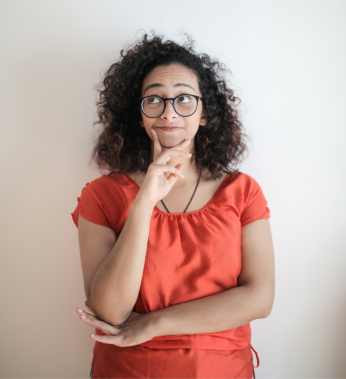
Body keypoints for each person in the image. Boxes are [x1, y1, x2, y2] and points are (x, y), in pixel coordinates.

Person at [71, 31, 275, 379]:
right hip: (128, 370)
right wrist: (144, 201)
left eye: (184, 99)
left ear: (205, 113)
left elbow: (259, 299)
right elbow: (110, 311)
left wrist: (153, 324)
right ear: (139, 115)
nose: (169, 112)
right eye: (154, 100)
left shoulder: (242, 191)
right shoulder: (101, 195)